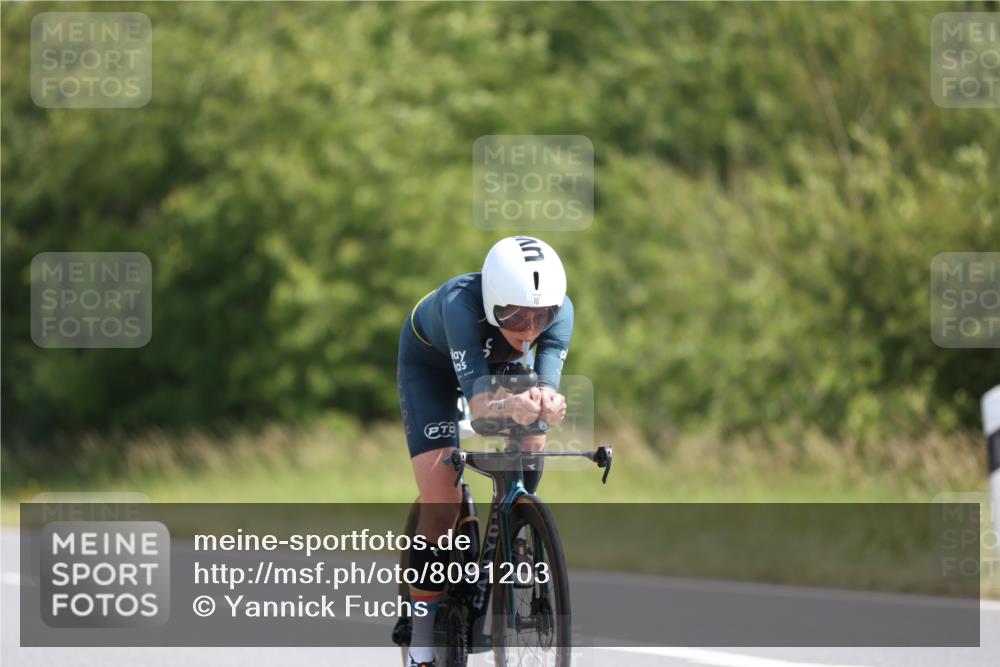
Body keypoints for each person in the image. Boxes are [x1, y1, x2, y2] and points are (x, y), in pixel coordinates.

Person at [396, 235, 573, 667]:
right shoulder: (461, 305)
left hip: (498, 363)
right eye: (514, 314)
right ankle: (420, 639)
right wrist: (506, 404)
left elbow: (545, 387)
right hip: (432, 369)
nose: (529, 328)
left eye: (541, 317)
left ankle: (517, 527)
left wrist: (548, 402)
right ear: (493, 301)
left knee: (533, 431)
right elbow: (479, 410)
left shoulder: (561, 313)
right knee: (441, 503)